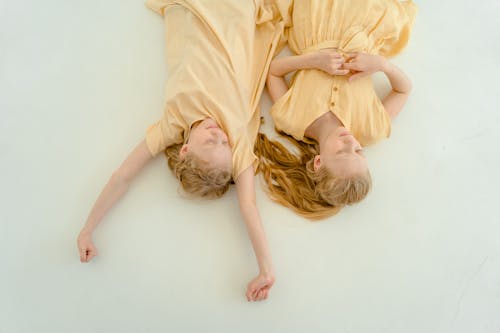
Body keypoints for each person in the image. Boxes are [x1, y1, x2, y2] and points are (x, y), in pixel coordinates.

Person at [77, 0, 285, 302]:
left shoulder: (173, 123)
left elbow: (123, 176)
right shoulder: (238, 139)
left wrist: (88, 228)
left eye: (209, 142)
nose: (218, 135)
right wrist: (267, 269)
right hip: (236, 12)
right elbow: (249, 205)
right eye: (224, 142)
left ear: (185, 150)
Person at [255, 0, 417, 220]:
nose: (351, 142)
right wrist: (381, 65)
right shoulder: (371, 129)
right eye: (358, 151)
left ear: (318, 161)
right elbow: (403, 90)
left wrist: (313, 60)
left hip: (316, 20)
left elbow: (273, 72)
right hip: (364, 21)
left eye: (342, 151)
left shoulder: (291, 119)